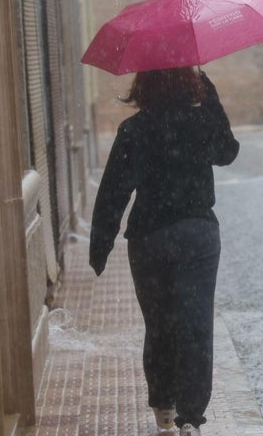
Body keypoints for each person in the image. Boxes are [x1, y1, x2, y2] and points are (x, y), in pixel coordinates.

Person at [89, 67, 239, 436]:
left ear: (143, 86)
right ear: (189, 83)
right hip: (197, 233)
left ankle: (165, 407)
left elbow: (113, 191)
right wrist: (211, 97)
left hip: (150, 238)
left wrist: (100, 244)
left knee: (160, 325)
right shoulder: (200, 121)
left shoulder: (133, 130)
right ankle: (191, 417)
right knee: (196, 325)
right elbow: (227, 151)